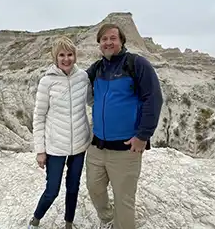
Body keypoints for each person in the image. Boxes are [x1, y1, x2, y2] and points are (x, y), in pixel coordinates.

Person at [85, 23, 164, 229]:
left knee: (124, 200)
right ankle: (107, 218)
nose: (108, 42)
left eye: (113, 38)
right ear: (99, 44)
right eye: (104, 39)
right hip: (97, 146)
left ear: (121, 41)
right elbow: (74, 83)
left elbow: (153, 99)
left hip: (126, 148)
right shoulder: (96, 69)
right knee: (94, 188)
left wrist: (143, 136)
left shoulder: (137, 64)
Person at [28, 36, 92, 229]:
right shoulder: (47, 82)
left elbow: (92, 101)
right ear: (55, 58)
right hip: (55, 146)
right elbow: (39, 117)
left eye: (70, 54)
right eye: (61, 55)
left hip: (79, 144)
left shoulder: (83, 77)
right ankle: (36, 219)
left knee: (73, 188)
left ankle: (68, 223)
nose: (66, 59)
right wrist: (40, 150)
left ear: (75, 56)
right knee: (52, 190)